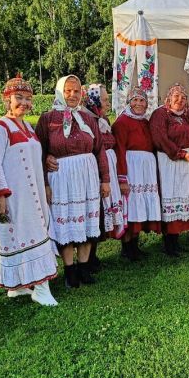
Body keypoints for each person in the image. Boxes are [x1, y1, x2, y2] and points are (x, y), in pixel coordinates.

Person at [0, 75, 58, 306]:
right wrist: (1, 196)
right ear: (6, 99)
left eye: (28, 99)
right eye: (19, 98)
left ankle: (20, 285)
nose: (24, 103)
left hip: (34, 192)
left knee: (35, 232)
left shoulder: (28, 126)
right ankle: (40, 288)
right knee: (24, 235)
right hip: (16, 196)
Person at [35, 75, 109, 289]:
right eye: (68, 91)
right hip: (61, 176)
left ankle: (84, 268)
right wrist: (45, 182)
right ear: (59, 91)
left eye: (76, 91)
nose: (72, 95)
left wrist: (105, 180)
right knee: (65, 221)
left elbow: (99, 150)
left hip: (87, 175)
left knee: (87, 220)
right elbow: (39, 152)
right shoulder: (48, 119)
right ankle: (70, 271)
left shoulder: (89, 119)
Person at [150, 83, 189, 256]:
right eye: (176, 97)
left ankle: (176, 241)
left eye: (183, 97)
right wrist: (180, 153)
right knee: (171, 196)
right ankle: (169, 244)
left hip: (186, 160)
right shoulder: (160, 114)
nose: (180, 100)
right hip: (169, 161)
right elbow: (160, 139)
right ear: (169, 98)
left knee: (182, 197)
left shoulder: (186, 115)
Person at [111, 87, 162, 261]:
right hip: (132, 167)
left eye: (142, 101)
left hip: (145, 170)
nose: (139, 104)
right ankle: (126, 249)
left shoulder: (145, 122)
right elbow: (120, 150)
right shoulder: (122, 122)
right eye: (135, 100)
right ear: (128, 102)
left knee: (139, 208)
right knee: (131, 206)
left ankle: (135, 245)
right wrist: (122, 178)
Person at [82, 83, 126, 265]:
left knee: (103, 211)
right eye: (105, 100)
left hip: (109, 169)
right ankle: (89, 258)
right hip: (97, 171)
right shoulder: (87, 120)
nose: (108, 103)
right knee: (97, 211)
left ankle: (93, 255)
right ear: (95, 100)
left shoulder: (104, 119)